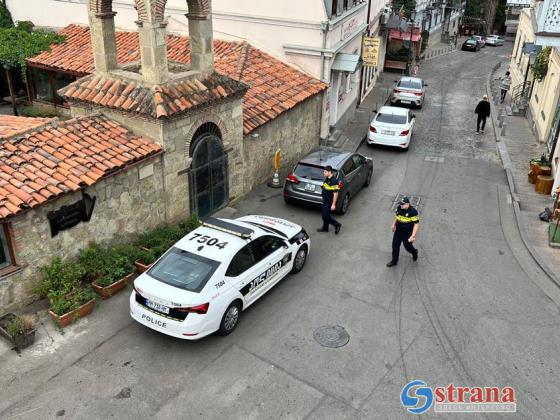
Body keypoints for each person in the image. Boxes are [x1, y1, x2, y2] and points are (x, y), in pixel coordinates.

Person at [387, 197, 419, 267]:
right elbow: (396, 217)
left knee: (407, 247)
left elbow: (416, 224)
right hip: (398, 231)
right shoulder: (399, 208)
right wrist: (393, 224)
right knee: (395, 246)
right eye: (400, 204)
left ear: (407, 204)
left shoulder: (413, 212)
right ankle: (394, 261)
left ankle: (414, 252)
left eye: (403, 204)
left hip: (407, 233)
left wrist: (413, 236)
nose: (401, 206)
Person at [317, 165, 342, 234]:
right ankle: (325, 228)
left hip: (329, 201)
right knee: (324, 215)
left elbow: (335, 194)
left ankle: (337, 225)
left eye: (325, 172)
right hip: (325, 200)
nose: (323, 173)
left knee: (326, 215)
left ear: (330, 172)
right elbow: (327, 187)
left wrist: (333, 204)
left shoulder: (334, 181)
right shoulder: (327, 178)